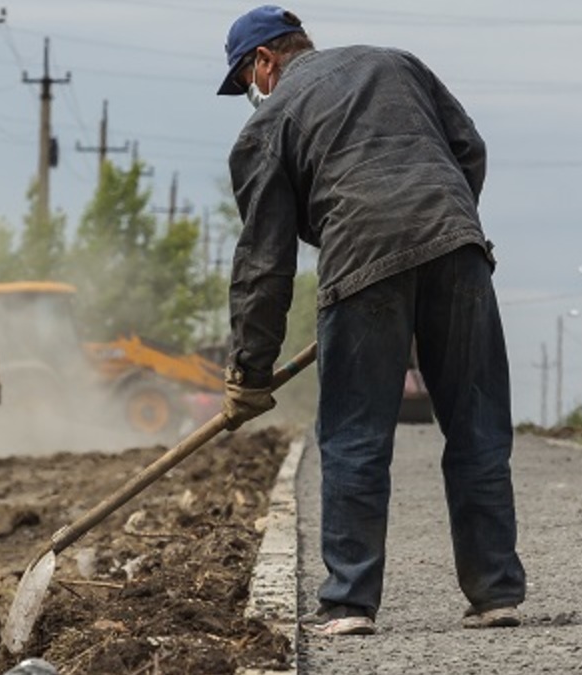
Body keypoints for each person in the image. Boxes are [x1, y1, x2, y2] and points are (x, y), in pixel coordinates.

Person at [216, 5, 526, 636]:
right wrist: (438, 227)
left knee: (355, 436)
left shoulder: (270, 121)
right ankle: (496, 594)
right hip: (458, 246)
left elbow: (263, 264)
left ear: (266, 61)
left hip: (363, 259)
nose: (255, 92)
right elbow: (468, 149)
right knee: (477, 428)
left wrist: (249, 369)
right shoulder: (396, 62)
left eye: (249, 78)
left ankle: (352, 603)